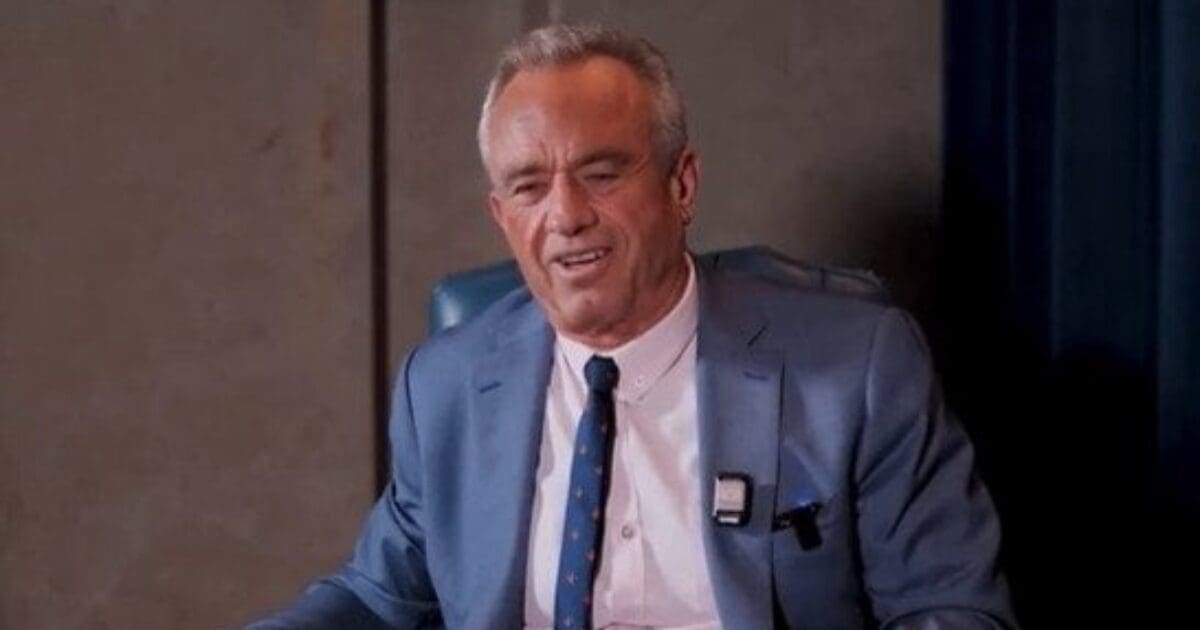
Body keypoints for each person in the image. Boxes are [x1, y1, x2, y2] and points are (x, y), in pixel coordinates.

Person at [250, 24, 1016, 630]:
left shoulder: (858, 371)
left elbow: (951, 609)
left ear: (681, 185)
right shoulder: (446, 387)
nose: (566, 215)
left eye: (602, 173)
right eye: (529, 187)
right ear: (502, 216)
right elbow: (379, 597)